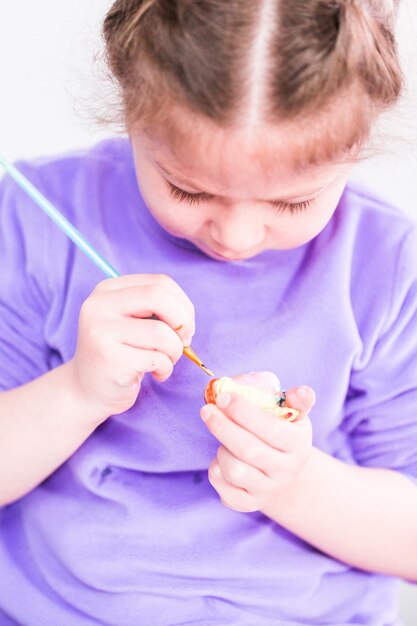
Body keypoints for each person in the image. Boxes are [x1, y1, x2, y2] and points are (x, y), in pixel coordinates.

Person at [0, 0, 416, 624]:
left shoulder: (386, 265)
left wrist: (295, 481)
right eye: (188, 189)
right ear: (132, 108)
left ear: (355, 146)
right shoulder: (38, 219)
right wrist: (78, 391)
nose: (238, 236)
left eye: (295, 201)